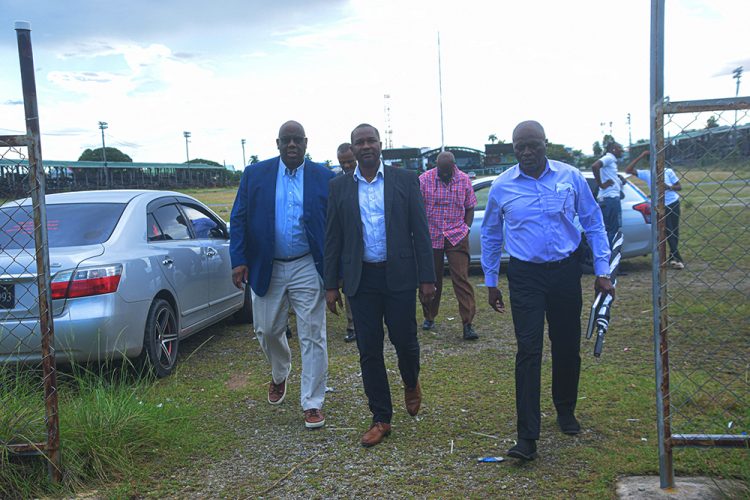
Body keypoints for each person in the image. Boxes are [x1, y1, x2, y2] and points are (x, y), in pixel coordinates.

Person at [480, 120, 614, 461]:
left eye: (533, 145)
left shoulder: (570, 178)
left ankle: (565, 408)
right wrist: (492, 281)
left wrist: (602, 270)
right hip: (525, 276)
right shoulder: (502, 186)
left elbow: (594, 222)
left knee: (567, 345)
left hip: (566, 272)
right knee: (528, 350)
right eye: (520, 147)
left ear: (545, 144)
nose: (527, 152)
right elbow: (492, 234)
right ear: (514, 149)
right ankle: (527, 437)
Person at [324, 123, 436, 448]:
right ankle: (381, 417)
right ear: (353, 149)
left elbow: (420, 231)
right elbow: (333, 239)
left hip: (399, 275)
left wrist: (427, 278)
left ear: (380, 144)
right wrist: (330, 284)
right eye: (359, 142)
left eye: (371, 139)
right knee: (368, 351)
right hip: (362, 280)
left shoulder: (404, 181)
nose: (366, 145)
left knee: (406, 342)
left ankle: (411, 381)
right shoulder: (339, 188)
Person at [230, 120, 334, 429]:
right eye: (286, 140)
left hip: (306, 263)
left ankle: (313, 402)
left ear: (306, 142)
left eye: (297, 140)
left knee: (313, 333)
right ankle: (280, 372)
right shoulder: (255, 175)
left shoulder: (323, 177)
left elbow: (334, 224)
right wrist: (239, 259)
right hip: (267, 264)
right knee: (266, 329)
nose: (292, 145)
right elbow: (239, 217)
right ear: (277, 143)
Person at [419, 151, 479, 341]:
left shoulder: (463, 180)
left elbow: (470, 206)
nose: (445, 175)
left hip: (456, 235)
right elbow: (417, 207)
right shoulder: (424, 180)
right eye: (442, 171)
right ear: (436, 166)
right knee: (431, 279)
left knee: (461, 278)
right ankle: (429, 316)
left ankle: (468, 323)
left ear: (454, 165)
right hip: (431, 235)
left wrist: (466, 228)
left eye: (448, 171)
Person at [625, 150, 685, 269]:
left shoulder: (668, 171)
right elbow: (628, 170)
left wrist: (669, 187)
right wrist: (641, 155)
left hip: (673, 203)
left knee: (674, 230)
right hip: (661, 205)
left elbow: (679, 187)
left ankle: (673, 256)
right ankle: (676, 257)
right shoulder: (647, 174)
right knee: (668, 231)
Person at [335, 142, 358, 342]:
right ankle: (352, 325)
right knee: (350, 287)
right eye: (343, 163)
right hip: (347, 247)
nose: (347, 166)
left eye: (350, 161)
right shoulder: (337, 184)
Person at [592, 141, 624, 246]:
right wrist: (601, 184)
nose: (622, 151)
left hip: (606, 199)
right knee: (613, 231)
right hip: (610, 199)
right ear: (613, 149)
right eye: (620, 148)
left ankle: (605, 256)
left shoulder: (611, 162)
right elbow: (595, 166)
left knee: (607, 230)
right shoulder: (609, 158)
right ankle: (610, 257)